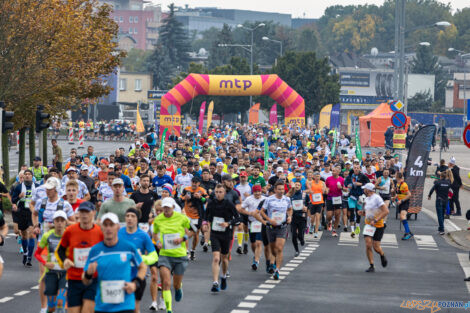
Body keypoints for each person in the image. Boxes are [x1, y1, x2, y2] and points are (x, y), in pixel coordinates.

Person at [83, 212, 147, 313]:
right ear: (101, 228)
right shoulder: (95, 250)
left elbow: (143, 267)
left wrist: (135, 284)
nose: (108, 228)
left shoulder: (128, 247)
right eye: (105, 225)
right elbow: (85, 280)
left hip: (125, 305)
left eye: (111, 225)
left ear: (117, 227)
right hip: (102, 306)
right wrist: (88, 274)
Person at [55, 201, 103, 313]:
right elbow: (61, 249)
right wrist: (65, 260)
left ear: (94, 213)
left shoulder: (100, 232)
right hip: (74, 279)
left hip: (93, 279)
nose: (84, 215)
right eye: (82, 212)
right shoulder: (70, 231)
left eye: (87, 212)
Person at [153, 198, 191, 313]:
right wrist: (158, 242)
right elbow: (155, 233)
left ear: (173, 207)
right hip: (165, 255)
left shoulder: (182, 218)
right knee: (166, 282)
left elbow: (192, 231)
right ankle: (169, 309)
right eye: (164, 207)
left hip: (179, 255)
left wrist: (182, 238)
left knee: (176, 284)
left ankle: (178, 288)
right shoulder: (158, 219)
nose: (166, 210)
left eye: (168, 207)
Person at [118, 208, 159, 313]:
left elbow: (154, 256)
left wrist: (141, 259)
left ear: (137, 219)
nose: (130, 219)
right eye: (127, 216)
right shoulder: (118, 233)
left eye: (133, 216)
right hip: (120, 276)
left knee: (135, 308)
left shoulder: (143, 235)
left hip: (138, 277)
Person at [204, 184, 241, 292]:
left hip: (226, 234)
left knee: (224, 259)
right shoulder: (211, 203)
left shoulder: (229, 204)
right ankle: (215, 283)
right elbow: (206, 215)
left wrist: (228, 223)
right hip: (215, 233)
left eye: (220, 192)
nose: (218, 194)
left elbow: (238, 218)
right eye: (216, 192)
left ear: (224, 193)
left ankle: (223, 276)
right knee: (216, 258)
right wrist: (205, 223)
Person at [34, 211, 68, 313]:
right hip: (51, 273)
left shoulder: (69, 235)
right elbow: (37, 254)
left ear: (65, 222)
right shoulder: (47, 236)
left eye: (62, 220)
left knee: (60, 303)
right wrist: (45, 263)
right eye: (57, 220)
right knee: (52, 307)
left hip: (65, 274)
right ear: (53, 222)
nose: (60, 223)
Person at [260, 181, 292, 280]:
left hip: (282, 227)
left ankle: (277, 270)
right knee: (273, 249)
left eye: (282, 189)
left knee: (279, 248)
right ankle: (272, 263)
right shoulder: (269, 199)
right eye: (279, 189)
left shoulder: (287, 199)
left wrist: (290, 216)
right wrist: (269, 220)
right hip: (270, 227)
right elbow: (262, 212)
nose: (281, 191)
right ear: (275, 190)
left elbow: (290, 209)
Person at [358, 183, 389, 273]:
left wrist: (375, 220)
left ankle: (382, 254)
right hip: (368, 225)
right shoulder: (366, 199)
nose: (363, 190)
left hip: (378, 225)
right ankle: (371, 265)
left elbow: (386, 211)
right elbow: (368, 212)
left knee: (376, 247)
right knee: (368, 245)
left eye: (365, 189)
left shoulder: (377, 198)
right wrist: (362, 213)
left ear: (368, 190)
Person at [11, 169, 37, 266]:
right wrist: (18, 196)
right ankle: (25, 252)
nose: (27, 176)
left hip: (32, 213)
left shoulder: (37, 187)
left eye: (29, 174)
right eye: (25, 174)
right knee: (24, 234)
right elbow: (13, 200)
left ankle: (29, 257)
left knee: (31, 233)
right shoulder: (18, 187)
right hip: (22, 212)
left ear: (32, 176)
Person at [181, 176, 207, 260]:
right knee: (186, 231)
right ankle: (186, 251)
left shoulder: (202, 190)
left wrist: (200, 197)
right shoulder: (186, 189)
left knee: (195, 234)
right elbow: (180, 198)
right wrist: (185, 198)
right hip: (186, 215)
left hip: (197, 216)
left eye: (196, 183)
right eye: (193, 182)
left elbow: (207, 200)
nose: (194, 184)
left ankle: (193, 250)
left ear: (199, 183)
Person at [240, 185, 266, 270]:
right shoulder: (249, 199)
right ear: (253, 192)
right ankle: (256, 255)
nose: (258, 193)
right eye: (256, 191)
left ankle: (256, 261)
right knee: (253, 243)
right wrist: (249, 213)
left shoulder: (264, 199)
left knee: (259, 242)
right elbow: (241, 209)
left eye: (259, 191)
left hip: (261, 222)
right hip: (252, 223)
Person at [287, 181, 307, 256]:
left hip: (302, 217)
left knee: (300, 234)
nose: (297, 186)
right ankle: (296, 250)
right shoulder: (291, 195)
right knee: (294, 235)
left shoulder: (304, 195)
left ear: (301, 186)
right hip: (293, 217)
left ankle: (301, 239)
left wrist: (307, 208)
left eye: (298, 185)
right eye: (296, 185)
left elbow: (309, 204)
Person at [325, 166, 345, 237]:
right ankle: (329, 221)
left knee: (337, 214)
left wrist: (341, 188)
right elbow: (326, 187)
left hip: (338, 198)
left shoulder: (342, 179)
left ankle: (334, 230)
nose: (332, 172)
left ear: (338, 172)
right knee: (329, 215)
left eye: (334, 171)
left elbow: (346, 190)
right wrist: (326, 190)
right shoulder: (328, 179)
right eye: (332, 171)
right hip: (330, 198)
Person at [306, 171, 326, 238]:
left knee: (317, 217)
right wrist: (310, 191)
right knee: (312, 218)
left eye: (318, 176)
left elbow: (324, 191)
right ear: (313, 177)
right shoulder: (310, 183)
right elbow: (308, 190)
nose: (317, 177)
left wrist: (324, 190)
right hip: (312, 202)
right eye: (316, 176)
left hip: (320, 202)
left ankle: (316, 232)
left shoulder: (322, 183)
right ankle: (311, 225)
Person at [396, 172, 413, 240]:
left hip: (405, 202)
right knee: (402, 217)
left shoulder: (404, 185)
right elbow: (400, 193)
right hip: (400, 202)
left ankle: (407, 233)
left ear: (397, 177)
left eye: (395, 175)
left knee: (403, 216)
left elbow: (409, 194)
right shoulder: (397, 184)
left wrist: (402, 200)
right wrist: (395, 197)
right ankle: (409, 232)